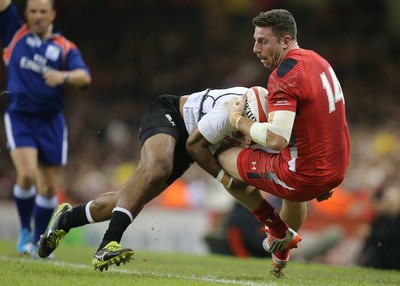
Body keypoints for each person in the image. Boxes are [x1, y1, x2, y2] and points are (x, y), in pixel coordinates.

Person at [37, 87, 269, 271]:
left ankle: (66, 220)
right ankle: (107, 244)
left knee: (128, 198)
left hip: (189, 145)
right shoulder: (230, 107)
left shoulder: (261, 121)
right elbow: (196, 146)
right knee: (158, 168)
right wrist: (225, 179)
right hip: (171, 114)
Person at [212, 9, 351, 276]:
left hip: (305, 176)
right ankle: (281, 252)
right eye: (255, 40)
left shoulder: (284, 75)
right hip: (337, 168)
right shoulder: (318, 61)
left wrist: (238, 120)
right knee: (291, 189)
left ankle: (274, 227)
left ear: (286, 41)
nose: (255, 48)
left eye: (263, 41)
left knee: (222, 155)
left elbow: (276, 139)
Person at [0, 0, 91, 256]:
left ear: (52, 14)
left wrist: (63, 76)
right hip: (21, 117)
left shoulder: (64, 47)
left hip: (51, 121)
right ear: (25, 14)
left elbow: (84, 77)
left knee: (49, 187)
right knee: (27, 175)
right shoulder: (13, 33)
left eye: (43, 11)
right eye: (33, 11)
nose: (38, 16)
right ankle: (25, 232)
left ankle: (40, 240)